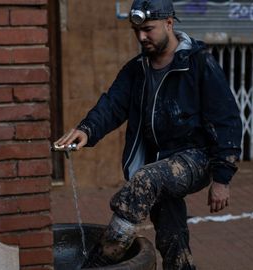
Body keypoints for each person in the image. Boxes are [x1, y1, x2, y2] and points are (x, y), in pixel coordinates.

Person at [55, 0, 242, 268]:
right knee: (172, 239)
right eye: (136, 30)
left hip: (196, 158)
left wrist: (223, 178)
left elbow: (227, 120)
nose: (142, 37)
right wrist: (87, 129)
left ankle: (98, 263)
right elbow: (112, 104)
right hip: (158, 162)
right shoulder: (136, 70)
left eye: (149, 29)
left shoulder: (199, 64)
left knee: (145, 181)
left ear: (169, 23)